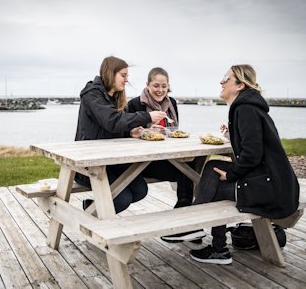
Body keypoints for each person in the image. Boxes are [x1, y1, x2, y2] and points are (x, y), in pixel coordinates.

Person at [163, 64, 300, 264]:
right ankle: (206, 237)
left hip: (273, 189)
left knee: (215, 184)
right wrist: (232, 134)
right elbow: (253, 146)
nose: (221, 81)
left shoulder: (245, 109)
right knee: (212, 167)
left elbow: (252, 155)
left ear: (240, 86)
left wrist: (231, 174)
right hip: (275, 183)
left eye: (226, 78)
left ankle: (204, 234)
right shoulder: (248, 108)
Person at [74, 56, 166, 213]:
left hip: (110, 160)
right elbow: (111, 121)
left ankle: (92, 208)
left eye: (127, 76)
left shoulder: (115, 97)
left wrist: (131, 132)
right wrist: (147, 117)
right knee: (122, 198)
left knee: (140, 190)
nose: (126, 80)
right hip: (89, 163)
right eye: (123, 75)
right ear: (111, 73)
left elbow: (113, 128)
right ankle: (92, 216)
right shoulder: (92, 95)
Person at [127, 67, 205, 242]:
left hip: (166, 156)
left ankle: (185, 215)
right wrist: (146, 129)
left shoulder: (172, 103)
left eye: (164, 86)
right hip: (143, 161)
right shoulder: (134, 104)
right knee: (187, 169)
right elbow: (127, 134)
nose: (160, 90)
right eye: (156, 85)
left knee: (191, 163)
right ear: (147, 85)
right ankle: (185, 219)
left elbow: (172, 131)